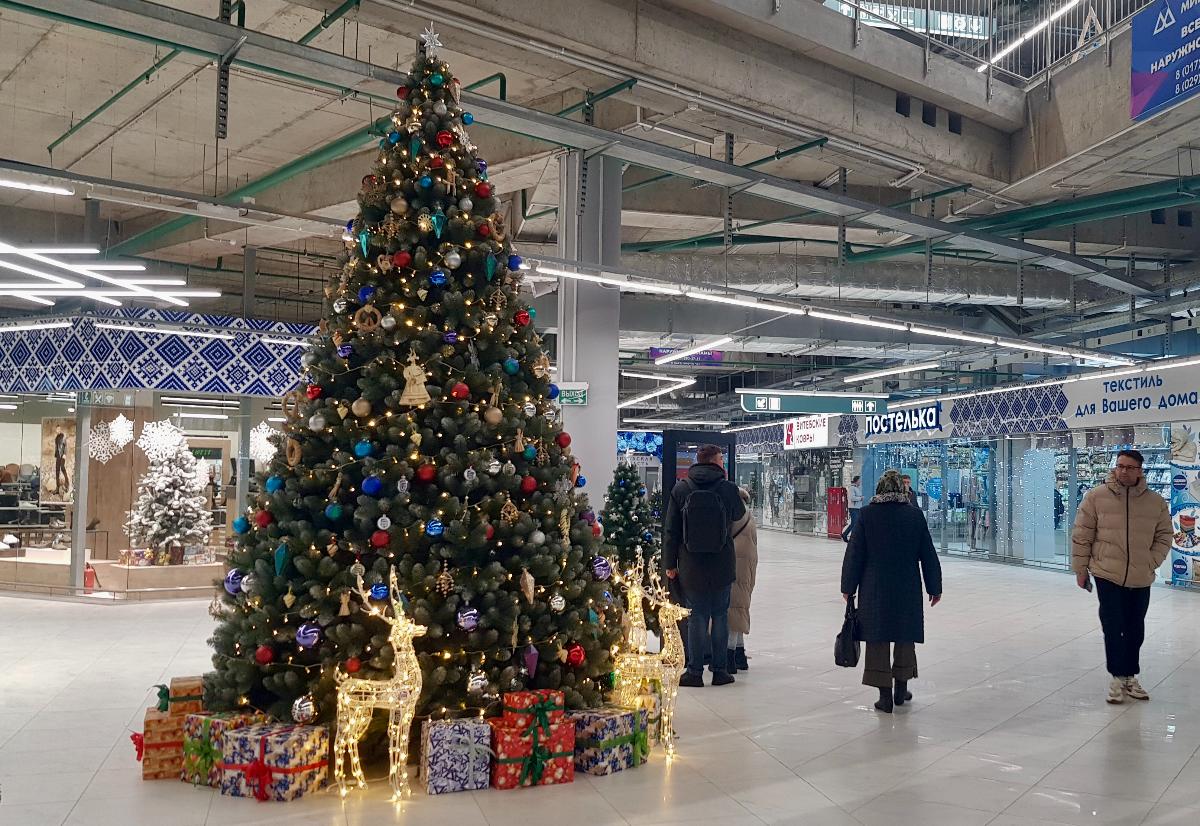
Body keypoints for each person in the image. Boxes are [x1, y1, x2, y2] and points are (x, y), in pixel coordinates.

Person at [1071, 449, 1172, 704]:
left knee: (1135, 628)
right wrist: (1081, 570)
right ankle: (1117, 677)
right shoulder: (1096, 497)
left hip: (1141, 574)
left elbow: (1164, 535)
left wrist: (1152, 560)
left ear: (1140, 470)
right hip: (1107, 573)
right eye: (1120, 466)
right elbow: (1082, 535)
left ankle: (1130, 675)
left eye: (1129, 467)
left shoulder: (1155, 502)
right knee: (1113, 625)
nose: (1123, 471)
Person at [841, 470, 942, 713]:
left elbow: (855, 554)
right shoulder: (914, 516)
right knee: (904, 635)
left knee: (877, 637)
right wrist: (934, 587)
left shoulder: (867, 515)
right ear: (902, 490)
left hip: (874, 585)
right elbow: (928, 554)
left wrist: (848, 587)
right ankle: (901, 688)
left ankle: (884, 695)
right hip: (906, 584)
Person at [663, 443, 746, 687]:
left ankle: (694, 672)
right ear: (713, 461)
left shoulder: (681, 488)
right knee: (720, 615)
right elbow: (739, 515)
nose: (722, 462)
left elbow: (671, 531)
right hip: (722, 562)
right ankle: (720, 671)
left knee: (697, 617)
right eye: (721, 458)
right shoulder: (728, 488)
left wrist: (670, 564)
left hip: (691, 563)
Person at [728, 487, 758, 674]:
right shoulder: (750, 517)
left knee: (732, 612)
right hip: (747, 568)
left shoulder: (732, 517)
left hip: (732, 566)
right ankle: (740, 654)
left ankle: (729, 657)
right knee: (739, 609)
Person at [841, 475, 863, 542]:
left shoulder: (856, 488)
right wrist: (860, 498)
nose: (860, 482)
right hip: (853, 508)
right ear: (856, 481)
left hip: (857, 507)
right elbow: (852, 498)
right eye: (859, 480)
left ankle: (849, 535)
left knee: (855, 523)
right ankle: (846, 534)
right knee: (854, 523)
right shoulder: (852, 488)